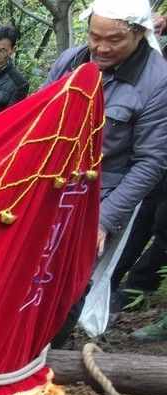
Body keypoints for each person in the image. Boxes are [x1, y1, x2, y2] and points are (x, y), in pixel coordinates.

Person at [48, 0, 167, 343]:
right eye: (93, 36)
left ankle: (49, 350)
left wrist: (103, 219)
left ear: (138, 33)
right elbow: (40, 116)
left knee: (71, 279)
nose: (100, 47)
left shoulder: (157, 82)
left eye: (113, 40)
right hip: (50, 183)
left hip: (101, 197)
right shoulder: (71, 60)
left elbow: (151, 162)